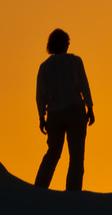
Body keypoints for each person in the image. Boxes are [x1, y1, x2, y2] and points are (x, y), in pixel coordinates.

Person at [34, 28, 94, 191]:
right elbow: (83, 85)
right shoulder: (74, 61)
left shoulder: (45, 67)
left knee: (53, 152)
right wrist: (90, 107)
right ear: (66, 44)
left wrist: (41, 117)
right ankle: (72, 193)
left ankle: (38, 189)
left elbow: (40, 95)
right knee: (76, 157)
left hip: (54, 113)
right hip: (75, 109)